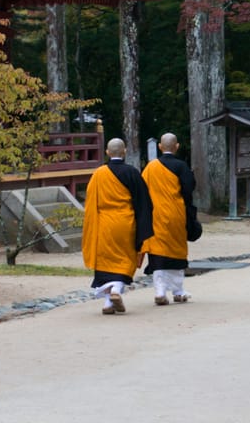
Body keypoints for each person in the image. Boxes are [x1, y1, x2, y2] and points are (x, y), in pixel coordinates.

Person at [81, 138, 153, 315]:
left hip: (104, 223)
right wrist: (143, 225)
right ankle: (115, 291)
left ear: (107, 152)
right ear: (125, 152)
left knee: (105, 262)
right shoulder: (132, 172)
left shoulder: (99, 174)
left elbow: (90, 202)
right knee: (125, 259)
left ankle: (107, 302)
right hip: (126, 223)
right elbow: (144, 202)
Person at [141, 132, 202, 305]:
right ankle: (178, 291)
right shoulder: (181, 166)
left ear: (160, 147)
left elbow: (142, 189)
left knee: (157, 252)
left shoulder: (151, 167)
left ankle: (160, 291)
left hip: (155, 215)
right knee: (177, 251)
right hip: (176, 214)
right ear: (177, 147)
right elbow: (188, 189)